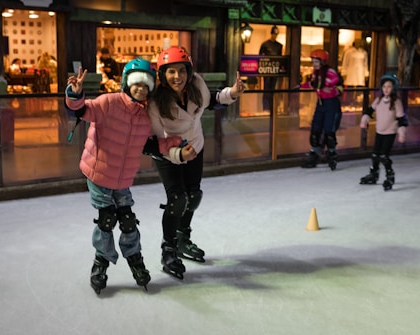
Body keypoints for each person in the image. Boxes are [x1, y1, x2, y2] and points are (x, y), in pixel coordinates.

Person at [65, 58, 182, 294]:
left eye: (145, 84)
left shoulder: (146, 115)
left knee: (127, 221)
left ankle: (135, 260)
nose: (140, 88)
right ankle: (101, 264)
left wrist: (176, 142)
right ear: (127, 83)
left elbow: (150, 144)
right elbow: (79, 110)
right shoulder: (109, 103)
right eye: (136, 83)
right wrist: (74, 94)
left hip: (123, 179)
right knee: (107, 219)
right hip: (99, 173)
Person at [148, 46, 245, 279]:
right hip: (168, 151)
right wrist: (177, 154)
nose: (177, 77)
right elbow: (153, 141)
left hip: (195, 146)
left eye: (181, 71)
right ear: (162, 74)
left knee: (193, 196)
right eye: (171, 72)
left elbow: (210, 100)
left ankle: (183, 239)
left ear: (189, 72)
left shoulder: (196, 85)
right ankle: (168, 250)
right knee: (177, 200)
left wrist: (231, 92)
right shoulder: (155, 102)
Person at [359, 74, 408, 191]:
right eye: (384, 86)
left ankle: (390, 176)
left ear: (394, 88)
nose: (386, 89)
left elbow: (401, 120)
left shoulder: (396, 101)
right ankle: (374, 173)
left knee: (384, 156)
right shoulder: (379, 100)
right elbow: (369, 111)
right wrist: (364, 121)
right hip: (379, 131)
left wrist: (401, 134)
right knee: (375, 154)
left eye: (389, 87)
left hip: (390, 132)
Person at [299, 49, 342, 170]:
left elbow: (340, 86)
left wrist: (333, 91)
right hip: (321, 103)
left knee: (329, 131)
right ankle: (314, 154)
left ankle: (332, 153)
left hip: (331, 104)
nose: (314, 64)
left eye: (316, 61)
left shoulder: (331, 72)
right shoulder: (316, 73)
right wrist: (301, 85)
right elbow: (314, 84)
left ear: (323, 61)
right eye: (313, 61)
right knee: (315, 130)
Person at [259, 25, 283, 113]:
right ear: (271, 34)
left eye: (276, 34)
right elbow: (260, 57)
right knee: (266, 89)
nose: (274, 36)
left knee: (273, 89)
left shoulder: (279, 46)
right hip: (267, 70)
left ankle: (273, 108)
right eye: (273, 34)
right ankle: (266, 108)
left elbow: (280, 59)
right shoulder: (265, 44)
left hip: (275, 70)